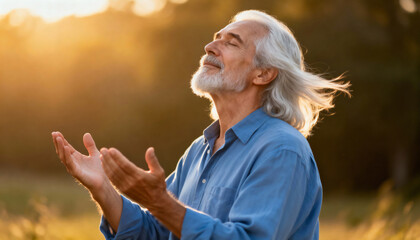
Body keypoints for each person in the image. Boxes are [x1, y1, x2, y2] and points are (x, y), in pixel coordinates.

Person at [52, 10, 349, 240]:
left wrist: (160, 203)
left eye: (231, 43)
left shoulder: (282, 150)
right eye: (215, 38)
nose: (210, 46)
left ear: (263, 73)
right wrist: (103, 189)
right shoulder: (199, 149)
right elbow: (155, 233)